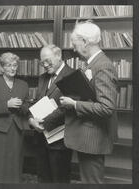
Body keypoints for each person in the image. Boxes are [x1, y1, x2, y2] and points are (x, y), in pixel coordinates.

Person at [59, 20, 118, 183]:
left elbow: (106, 108)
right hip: (87, 135)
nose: (73, 48)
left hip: (93, 137)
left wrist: (74, 104)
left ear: (85, 41)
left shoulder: (102, 66)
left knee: (92, 181)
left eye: (74, 43)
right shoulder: (93, 63)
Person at [28, 45, 73, 183]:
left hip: (60, 141)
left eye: (48, 61)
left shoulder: (72, 75)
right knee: (43, 178)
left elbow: (67, 108)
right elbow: (36, 102)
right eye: (42, 62)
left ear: (58, 56)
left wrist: (43, 123)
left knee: (59, 179)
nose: (45, 65)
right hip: (40, 137)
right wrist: (31, 120)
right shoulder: (42, 77)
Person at [0, 52, 29, 183]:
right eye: (9, 65)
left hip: (17, 130)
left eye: (15, 65)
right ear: (2, 68)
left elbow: (26, 108)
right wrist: (7, 105)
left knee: (14, 165)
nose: (13, 68)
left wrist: (20, 106)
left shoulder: (23, 85)